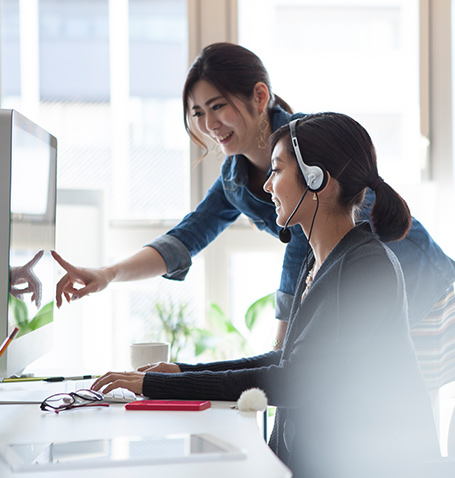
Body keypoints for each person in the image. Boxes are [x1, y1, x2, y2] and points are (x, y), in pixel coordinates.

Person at [52, 42, 455, 364]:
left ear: (259, 96)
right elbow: (187, 235)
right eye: (197, 113)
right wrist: (107, 274)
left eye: (217, 106)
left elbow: (303, 247)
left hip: (423, 290)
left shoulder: (314, 145)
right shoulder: (235, 177)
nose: (209, 125)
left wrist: (282, 343)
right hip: (357, 304)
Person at [91, 113, 440, 477]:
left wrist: (160, 385)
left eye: (277, 170)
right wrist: (180, 372)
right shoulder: (320, 259)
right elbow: (286, 359)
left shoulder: (366, 267)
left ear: (317, 179)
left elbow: (294, 379)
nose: (267, 186)